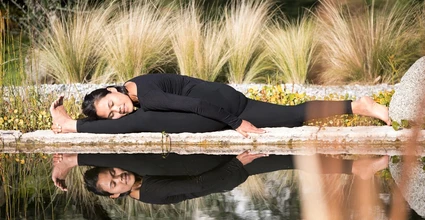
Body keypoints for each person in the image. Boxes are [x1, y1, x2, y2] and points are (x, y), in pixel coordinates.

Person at [50, 74, 390, 138]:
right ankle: (357, 105)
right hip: (223, 99)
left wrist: (236, 124)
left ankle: (67, 125)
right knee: (293, 115)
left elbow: (197, 105)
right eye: (110, 113)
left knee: (138, 123)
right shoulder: (135, 87)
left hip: (220, 105)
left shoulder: (149, 98)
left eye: (112, 103)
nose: (117, 110)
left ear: (113, 89)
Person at [52, 151, 389, 204]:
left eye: (113, 173)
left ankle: (354, 167)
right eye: (114, 183)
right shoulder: (149, 191)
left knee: (291, 156)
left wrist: (69, 161)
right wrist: (239, 164)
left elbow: (114, 154)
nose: (119, 176)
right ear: (115, 196)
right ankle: (356, 169)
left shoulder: (134, 173)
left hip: (218, 161)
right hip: (226, 172)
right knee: (291, 159)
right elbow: (199, 187)